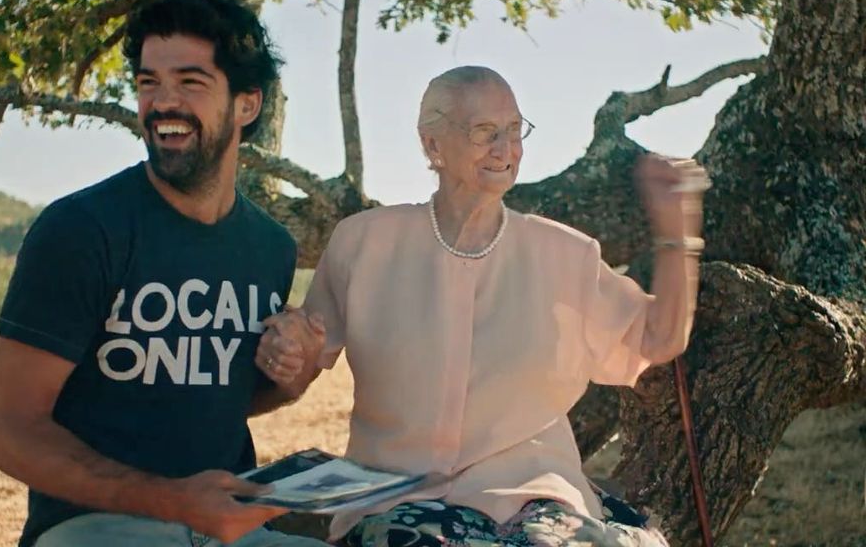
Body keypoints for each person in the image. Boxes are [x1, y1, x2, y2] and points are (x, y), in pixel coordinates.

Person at [266, 65, 707, 546]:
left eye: (515, 130)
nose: (506, 148)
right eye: (485, 133)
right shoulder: (363, 242)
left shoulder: (565, 254)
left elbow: (658, 339)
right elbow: (304, 363)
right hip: (397, 500)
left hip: (533, 500)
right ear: (432, 145)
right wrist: (291, 351)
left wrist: (676, 234)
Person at [0, 0, 328, 547]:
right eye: (148, 83)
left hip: (226, 525)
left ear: (247, 104)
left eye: (190, 82)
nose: (163, 102)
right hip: (93, 526)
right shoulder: (82, 230)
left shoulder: (270, 248)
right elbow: (9, 433)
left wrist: (293, 377)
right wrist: (172, 500)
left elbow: (219, 394)